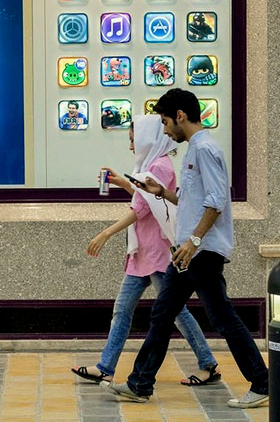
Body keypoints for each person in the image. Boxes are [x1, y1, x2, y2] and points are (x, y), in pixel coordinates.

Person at [102, 88, 268, 409]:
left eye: (165, 122)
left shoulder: (205, 149)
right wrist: (161, 191)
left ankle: (261, 382)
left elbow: (216, 201)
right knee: (162, 314)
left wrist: (193, 241)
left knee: (222, 318)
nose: (164, 130)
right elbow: (193, 200)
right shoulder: (194, 149)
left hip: (200, 252)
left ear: (180, 116)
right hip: (186, 251)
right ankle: (139, 383)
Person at [71, 114, 221, 387]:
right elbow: (145, 198)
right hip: (143, 253)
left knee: (175, 311)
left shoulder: (160, 165)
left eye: (133, 140)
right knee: (124, 310)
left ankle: (208, 364)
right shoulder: (152, 163)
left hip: (157, 253)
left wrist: (105, 233)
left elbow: (141, 209)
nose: (131, 147)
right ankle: (105, 366)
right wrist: (123, 183)